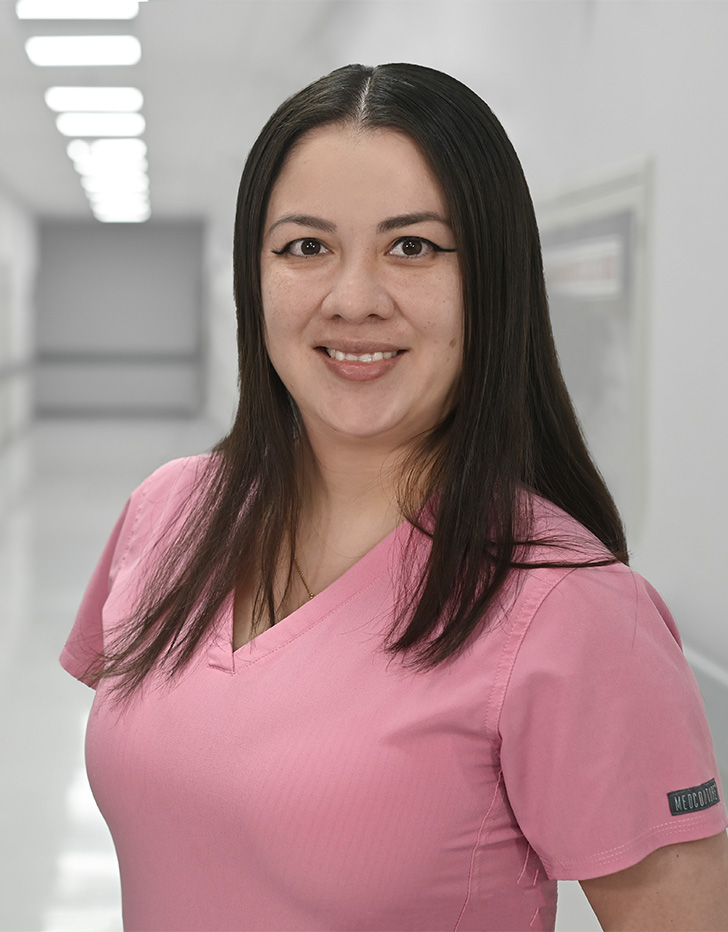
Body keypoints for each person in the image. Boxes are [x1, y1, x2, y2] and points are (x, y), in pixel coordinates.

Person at [61, 63, 728, 931]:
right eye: (306, 246)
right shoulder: (169, 512)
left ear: (491, 279)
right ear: (252, 278)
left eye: (412, 246)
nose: (354, 299)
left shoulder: (570, 607)